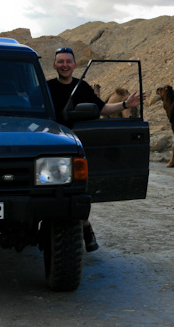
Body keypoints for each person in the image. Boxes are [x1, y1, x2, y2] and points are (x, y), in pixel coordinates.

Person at [46, 47, 144, 252]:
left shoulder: (82, 87)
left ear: (74, 65)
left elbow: (102, 108)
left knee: (79, 190)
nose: (64, 65)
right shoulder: (46, 88)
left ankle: (85, 225)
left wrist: (126, 104)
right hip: (51, 145)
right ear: (55, 65)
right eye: (60, 61)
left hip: (77, 145)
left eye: (68, 61)